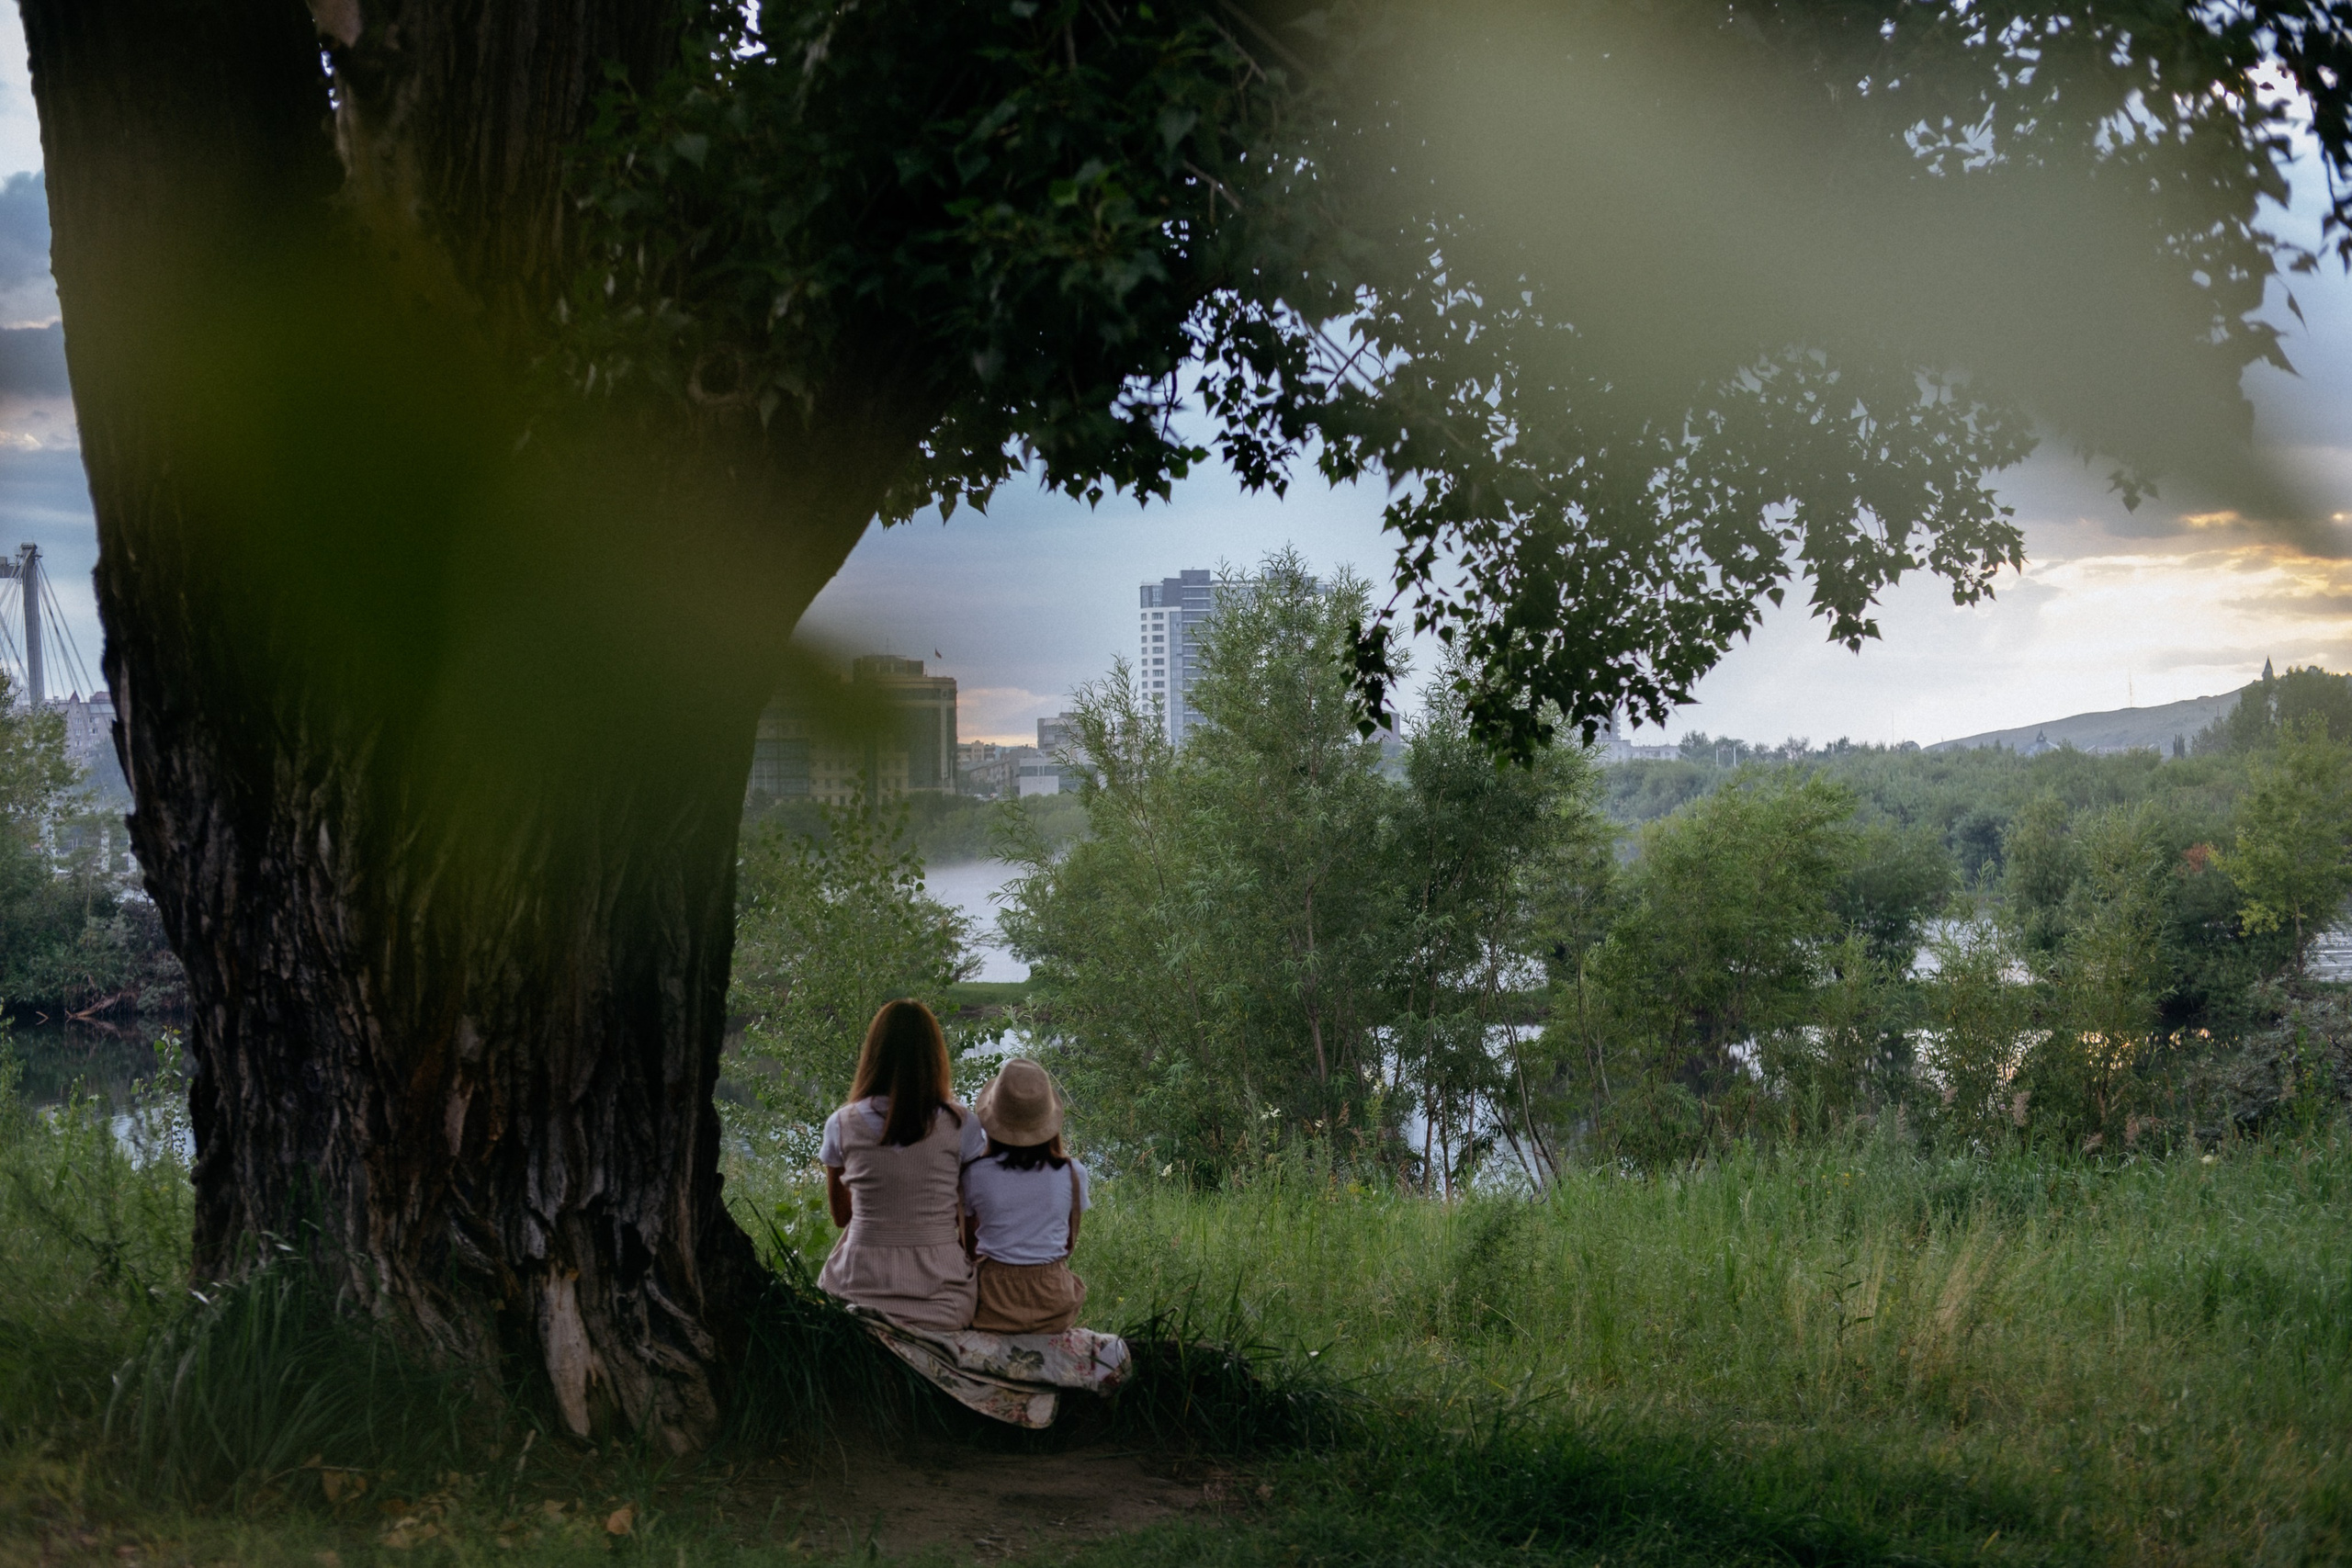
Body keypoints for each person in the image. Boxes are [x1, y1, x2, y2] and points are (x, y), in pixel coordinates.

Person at [817, 998, 987, 1331]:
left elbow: (841, 1217)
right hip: (943, 1299)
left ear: (873, 1054)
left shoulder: (841, 1123)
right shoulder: (962, 1125)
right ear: (934, 1056)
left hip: (857, 1293)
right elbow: (970, 1225)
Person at [962, 1058, 1091, 1335]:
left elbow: (970, 1246)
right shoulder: (1073, 1173)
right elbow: (1067, 1243)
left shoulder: (975, 1174)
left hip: (992, 1297)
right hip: (1053, 1297)